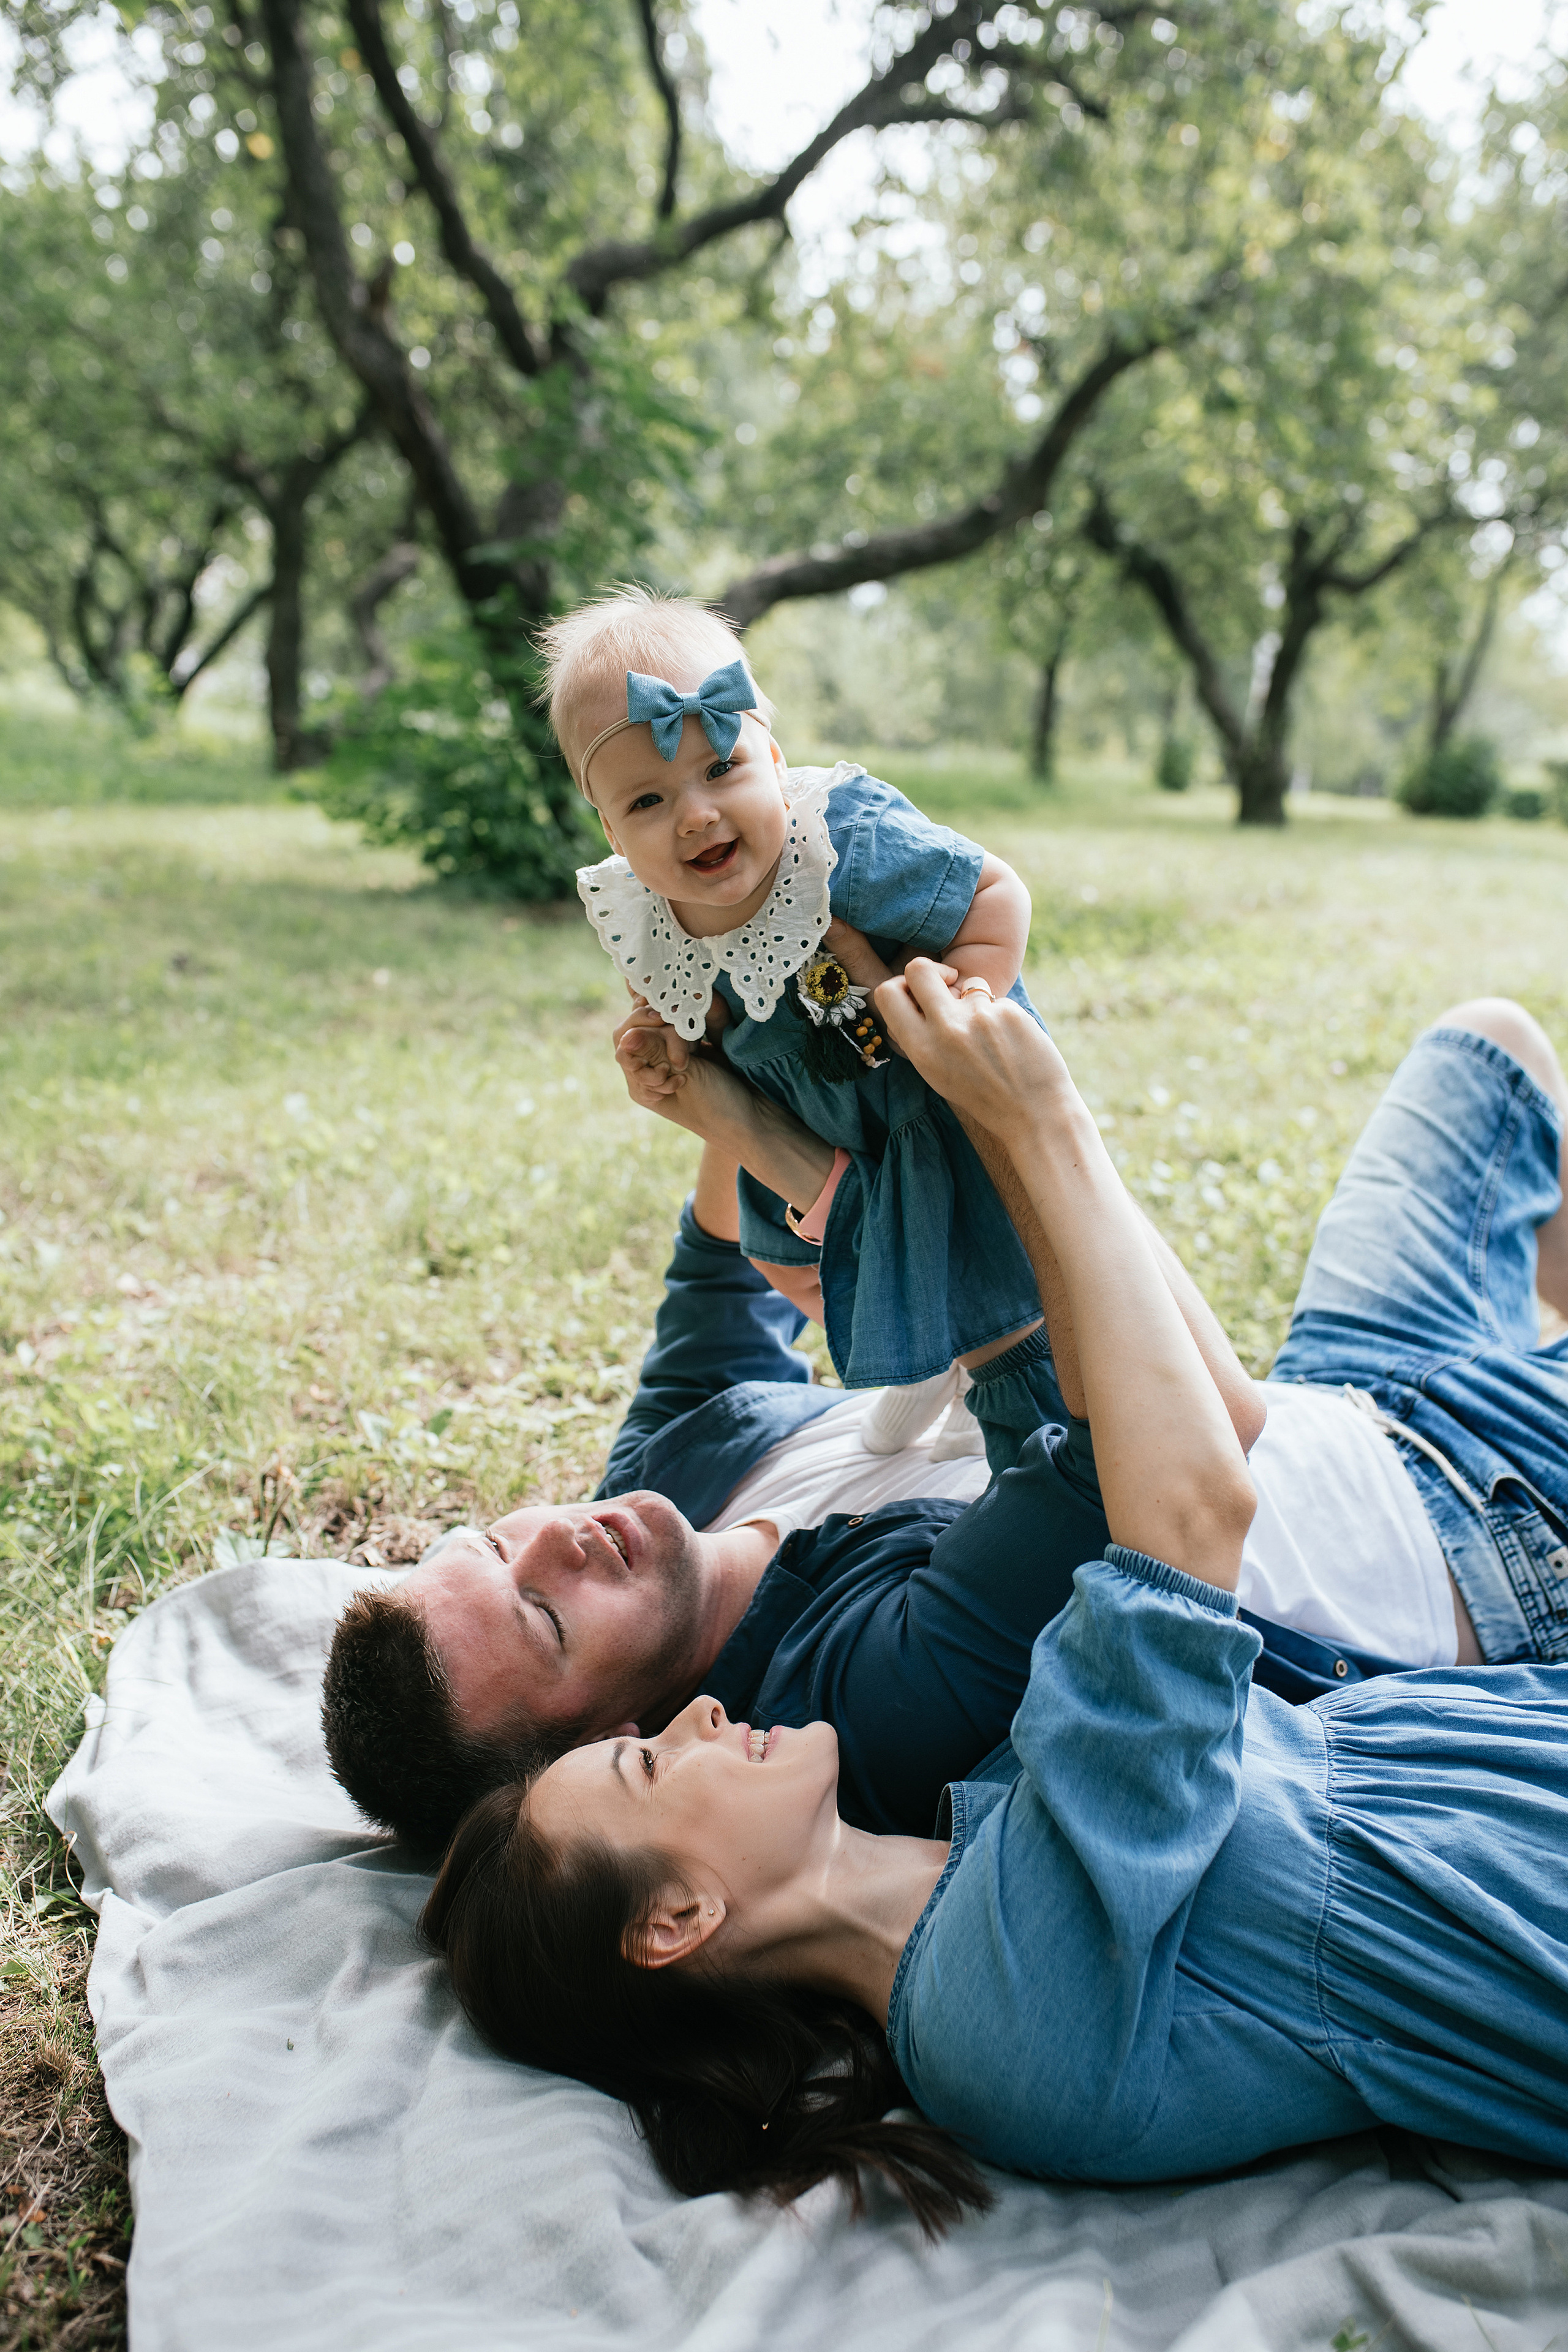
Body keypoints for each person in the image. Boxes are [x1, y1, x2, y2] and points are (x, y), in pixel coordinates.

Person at [423, 965, 1568, 2226]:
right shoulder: (995, 2014)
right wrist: (1035, 1122)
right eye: (645, 1768)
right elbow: (1187, 1518)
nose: (694, 1717)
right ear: (678, 1918)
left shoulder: (974, 1841)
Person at [322, 992, 1568, 1853]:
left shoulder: (664, 1490)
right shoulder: (840, 1711)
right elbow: (1124, 1447)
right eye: (544, 1621)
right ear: (605, 1747)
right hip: (1486, 1548)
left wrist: (715, 1013)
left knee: (1489, 1050)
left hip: (1355, 1395)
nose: (560, 1544)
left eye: (494, 1543)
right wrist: (979, 1123)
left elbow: (717, 1266)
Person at [545, 582, 1068, 1469]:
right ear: (610, 828)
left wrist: (970, 1010)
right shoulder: (644, 910)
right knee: (783, 1261)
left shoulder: (839, 842)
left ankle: (983, 1374)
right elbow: (695, 998)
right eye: (648, 803)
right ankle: (922, 1350)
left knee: (980, 1263)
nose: (697, 814)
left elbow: (994, 890)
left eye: (721, 769)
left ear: (775, 760)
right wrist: (672, 1035)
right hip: (813, 1120)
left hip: (915, 1092)